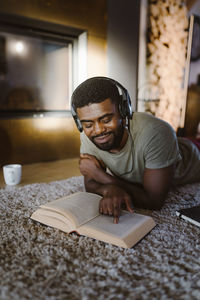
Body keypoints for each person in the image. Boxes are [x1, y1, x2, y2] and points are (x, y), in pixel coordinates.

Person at [71, 77, 200, 223]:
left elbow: (154, 201)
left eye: (106, 120)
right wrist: (110, 189)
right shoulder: (88, 136)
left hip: (192, 155)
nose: (98, 130)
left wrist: (102, 177)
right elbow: (90, 184)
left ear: (124, 111)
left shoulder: (157, 132)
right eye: (88, 124)